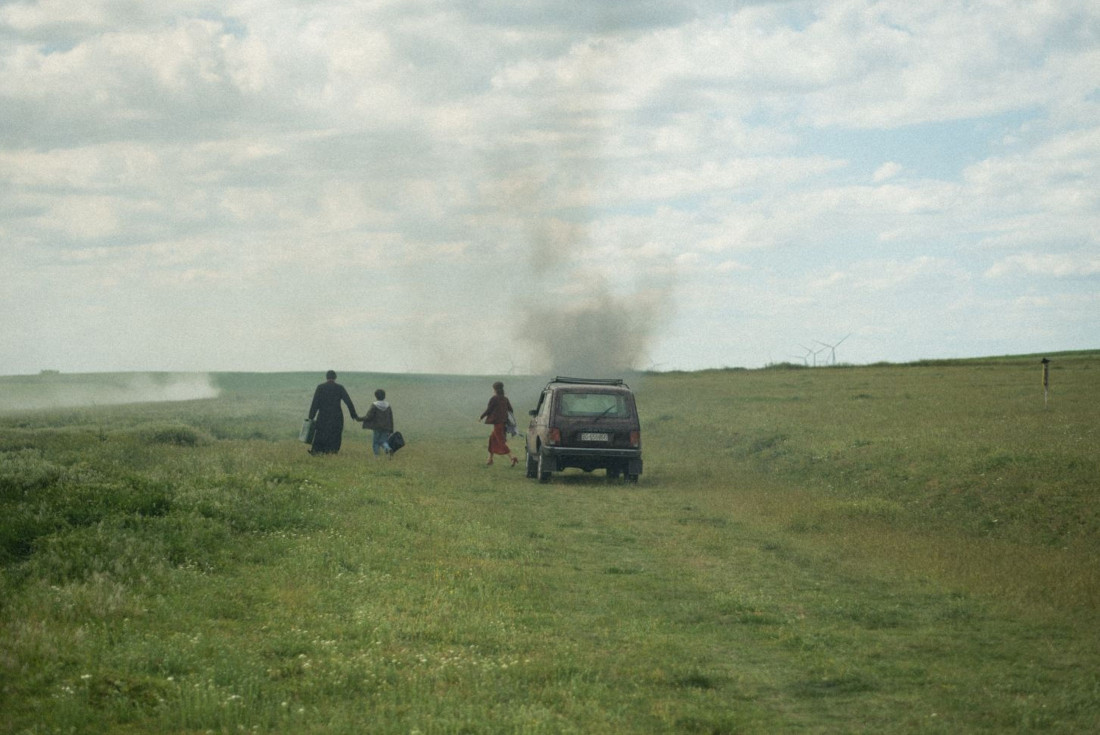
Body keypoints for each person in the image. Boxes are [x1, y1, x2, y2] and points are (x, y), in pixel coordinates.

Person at [307, 370, 358, 455]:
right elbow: (348, 402)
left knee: (321, 433)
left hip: (323, 415)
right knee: (335, 434)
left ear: (326, 377)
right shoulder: (340, 387)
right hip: (336, 415)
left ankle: (317, 451)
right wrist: (353, 415)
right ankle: (332, 451)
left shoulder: (320, 387)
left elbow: (315, 403)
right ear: (335, 377)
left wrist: (311, 416)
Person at [479, 381, 517, 466]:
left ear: (495, 389)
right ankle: (490, 459)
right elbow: (511, 410)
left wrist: (481, 417)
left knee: (501, 442)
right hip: (504, 424)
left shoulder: (494, 398)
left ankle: (512, 457)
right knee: (492, 439)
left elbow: (489, 409)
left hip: (498, 425)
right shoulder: (505, 399)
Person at [361, 388, 394, 458]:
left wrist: (360, 418)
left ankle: (376, 456)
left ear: (376, 396)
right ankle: (388, 448)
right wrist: (391, 429)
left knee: (376, 442)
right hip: (386, 427)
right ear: (384, 396)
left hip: (377, 427)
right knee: (383, 441)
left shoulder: (374, 405)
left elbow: (369, 416)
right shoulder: (388, 405)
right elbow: (391, 418)